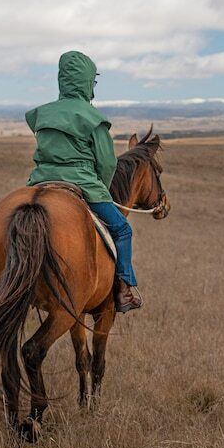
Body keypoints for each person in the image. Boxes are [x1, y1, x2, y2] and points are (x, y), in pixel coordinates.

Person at [24, 50, 141, 313]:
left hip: (39, 182)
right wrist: (101, 186)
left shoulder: (43, 114)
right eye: (93, 83)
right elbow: (108, 163)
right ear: (87, 81)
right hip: (84, 184)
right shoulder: (92, 118)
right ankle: (123, 291)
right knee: (123, 230)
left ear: (63, 80)